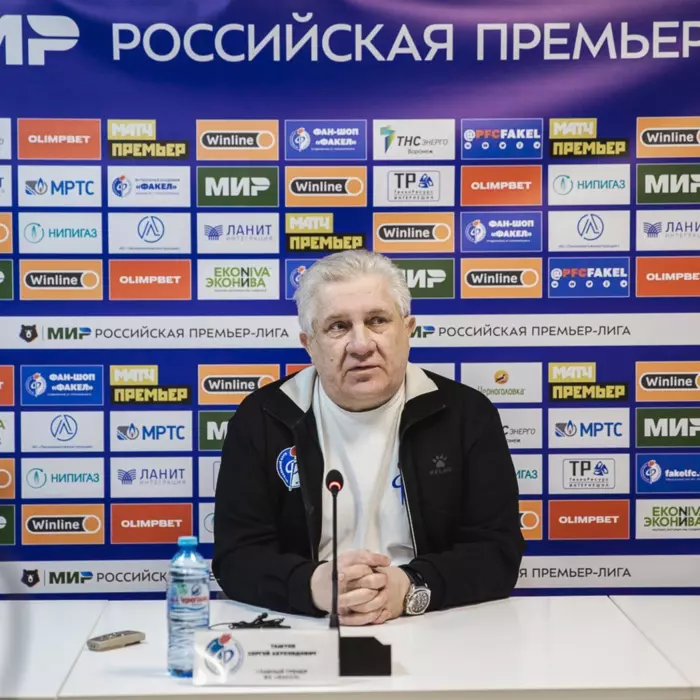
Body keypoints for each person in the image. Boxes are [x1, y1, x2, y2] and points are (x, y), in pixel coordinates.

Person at [213, 250, 524, 625]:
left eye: (377, 321)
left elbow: (497, 552)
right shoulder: (263, 417)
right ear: (309, 344)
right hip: (307, 625)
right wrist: (313, 586)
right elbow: (236, 556)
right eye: (338, 326)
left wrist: (408, 587)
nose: (361, 345)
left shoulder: (466, 415)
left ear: (408, 330)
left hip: (433, 622)